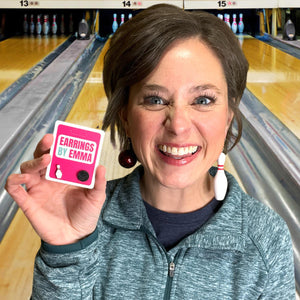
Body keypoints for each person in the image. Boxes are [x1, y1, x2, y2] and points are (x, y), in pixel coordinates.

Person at [5, 4, 295, 299]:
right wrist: (66, 251)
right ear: (125, 117)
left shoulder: (265, 239)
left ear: (229, 116)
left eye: (204, 100)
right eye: (155, 99)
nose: (178, 125)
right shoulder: (85, 223)